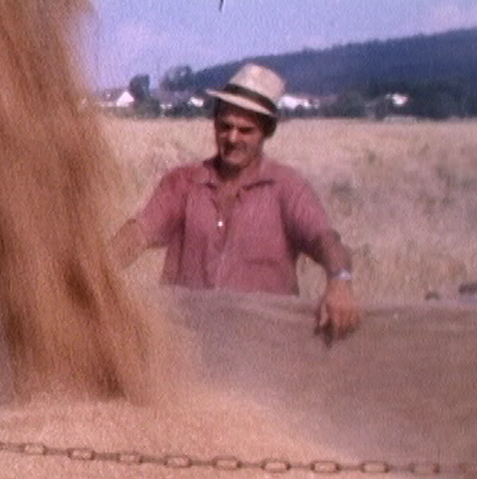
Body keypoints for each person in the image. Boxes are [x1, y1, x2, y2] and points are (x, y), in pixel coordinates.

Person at [111, 63, 361, 341]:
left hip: (264, 346)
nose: (232, 138)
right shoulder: (183, 183)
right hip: (187, 341)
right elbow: (140, 233)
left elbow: (324, 239)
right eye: (225, 127)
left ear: (266, 132)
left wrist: (340, 280)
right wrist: (99, 273)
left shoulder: (287, 188)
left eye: (245, 130)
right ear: (214, 123)